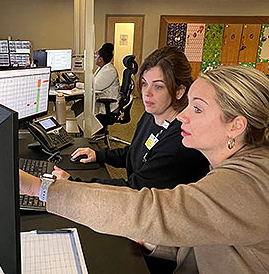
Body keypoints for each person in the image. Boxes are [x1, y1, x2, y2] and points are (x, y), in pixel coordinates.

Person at [20, 66, 269, 273]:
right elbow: (207, 233)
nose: (183, 116)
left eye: (198, 108)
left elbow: (152, 210)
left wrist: (38, 188)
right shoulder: (235, 166)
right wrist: (154, 242)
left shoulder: (251, 184)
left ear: (236, 126)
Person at [61, 46, 210, 190]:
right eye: (145, 84)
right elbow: (135, 153)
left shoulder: (181, 142)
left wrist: (74, 186)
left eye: (158, 86)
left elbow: (135, 189)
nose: (146, 93)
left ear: (179, 91)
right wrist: (99, 155)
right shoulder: (151, 116)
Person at [72, 42, 120, 116]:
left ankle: (91, 127)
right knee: (77, 107)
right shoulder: (102, 68)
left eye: (95, 56)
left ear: (100, 59)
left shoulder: (109, 71)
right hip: (99, 99)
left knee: (77, 108)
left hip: (106, 103)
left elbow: (96, 86)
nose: (94, 58)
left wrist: (77, 84)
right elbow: (93, 83)